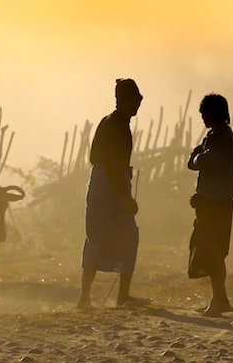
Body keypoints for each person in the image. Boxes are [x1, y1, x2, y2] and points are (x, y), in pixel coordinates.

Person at [77, 78, 147, 310]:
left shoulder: (110, 122)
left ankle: (85, 297)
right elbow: (114, 167)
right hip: (109, 187)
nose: (138, 104)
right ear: (125, 101)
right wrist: (125, 197)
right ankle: (122, 296)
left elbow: (96, 159)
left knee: (96, 238)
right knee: (128, 236)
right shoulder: (117, 126)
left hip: (99, 185)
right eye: (135, 100)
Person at [187, 93, 233, 316]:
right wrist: (197, 158)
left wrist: (198, 157)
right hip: (212, 202)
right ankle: (221, 299)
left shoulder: (222, 138)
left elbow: (205, 161)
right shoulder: (216, 136)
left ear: (211, 113)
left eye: (204, 113)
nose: (203, 118)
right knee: (211, 250)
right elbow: (194, 161)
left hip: (216, 204)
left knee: (213, 251)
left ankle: (218, 301)